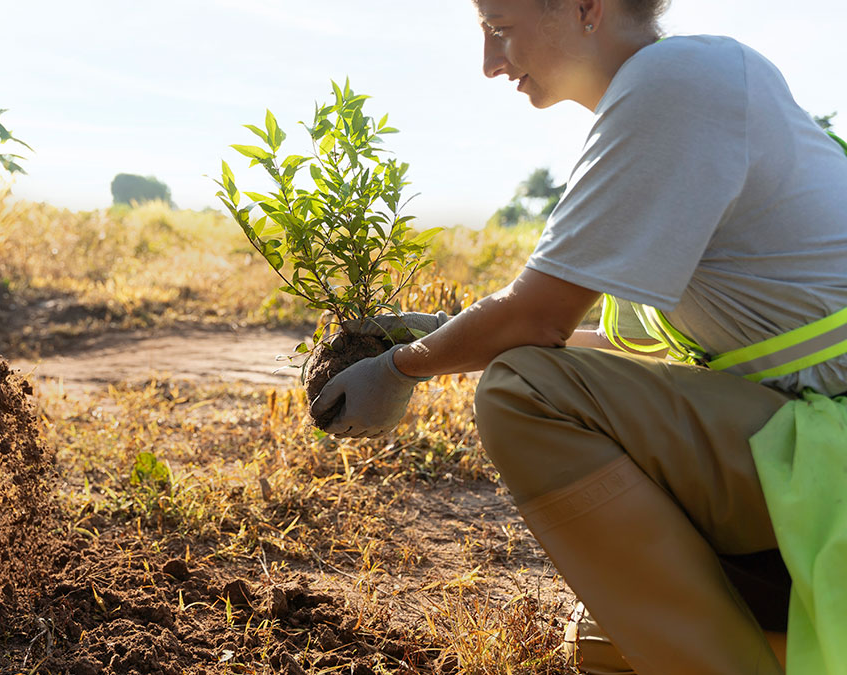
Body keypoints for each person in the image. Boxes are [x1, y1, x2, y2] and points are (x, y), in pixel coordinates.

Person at [309, 0, 847, 672]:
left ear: (587, 8)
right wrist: (451, 335)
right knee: (598, 641)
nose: (489, 64)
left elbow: (538, 319)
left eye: (499, 29)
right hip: (809, 433)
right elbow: (616, 356)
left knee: (523, 392)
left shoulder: (677, 83)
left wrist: (401, 368)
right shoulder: (689, 85)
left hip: (832, 450)